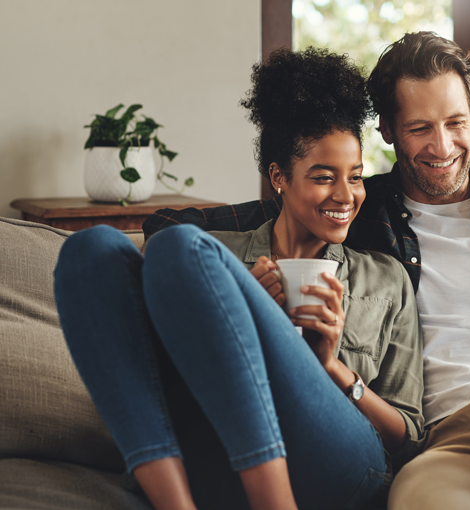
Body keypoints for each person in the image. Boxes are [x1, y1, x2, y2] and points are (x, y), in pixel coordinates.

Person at [142, 33, 470, 509]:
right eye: (420, 128)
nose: (442, 146)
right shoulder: (353, 205)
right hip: (443, 445)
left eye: (455, 123)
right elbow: (173, 229)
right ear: (388, 132)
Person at [54, 47, 425, 510]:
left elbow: (410, 437)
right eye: (324, 177)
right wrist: (240, 309)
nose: (346, 195)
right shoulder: (216, 259)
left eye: (356, 177)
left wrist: (332, 368)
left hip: (338, 462)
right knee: (90, 249)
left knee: (179, 243)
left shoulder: (386, 280)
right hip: (213, 451)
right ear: (279, 177)